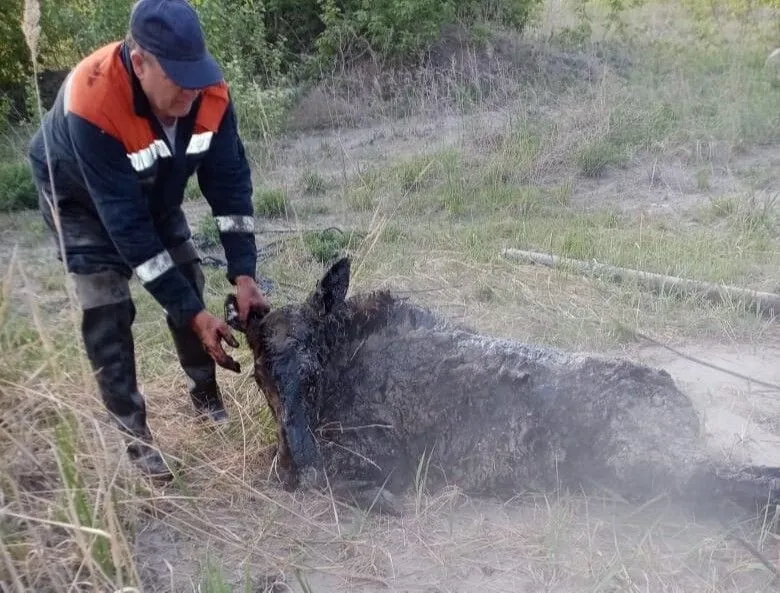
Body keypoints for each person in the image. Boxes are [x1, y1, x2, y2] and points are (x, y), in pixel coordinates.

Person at [27, 0, 270, 480]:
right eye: (178, 78)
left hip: (151, 191)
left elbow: (230, 182)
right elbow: (128, 229)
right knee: (108, 309)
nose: (191, 91)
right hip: (80, 200)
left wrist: (244, 272)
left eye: (196, 74)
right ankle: (136, 442)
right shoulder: (92, 100)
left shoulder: (209, 93)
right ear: (140, 63)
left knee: (187, 279)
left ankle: (205, 393)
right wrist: (193, 312)